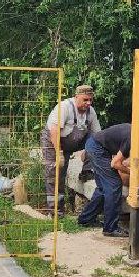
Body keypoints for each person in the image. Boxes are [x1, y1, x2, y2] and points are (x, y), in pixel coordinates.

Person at [42, 84, 100, 214]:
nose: (88, 103)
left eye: (90, 100)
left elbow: (98, 135)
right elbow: (54, 131)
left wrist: (89, 151)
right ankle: (55, 210)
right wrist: (59, 154)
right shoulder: (64, 107)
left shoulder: (91, 112)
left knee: (96, 141)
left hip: (73, 141)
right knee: (56, 173)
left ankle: (86, 172)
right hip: (54, 140)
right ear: (76, 97)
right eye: (85, 100)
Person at [77, 122, 131, 238]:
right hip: (97, 149)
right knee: (114, 185)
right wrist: (132, 173)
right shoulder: (132, 138)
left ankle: (86, 219)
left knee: (102, 188)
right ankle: (110, 228)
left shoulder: (132, 130)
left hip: (93, 145)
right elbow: (115, 163)